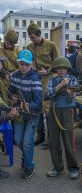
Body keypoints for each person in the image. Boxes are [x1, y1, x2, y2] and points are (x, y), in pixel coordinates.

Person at [9, 49, 42, 179]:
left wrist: (29, 105)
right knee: (18, 140)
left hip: (33, 114)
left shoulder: (35, 78)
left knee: (27, 142)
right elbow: (10, 91)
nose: (24, 67)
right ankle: (26, 156)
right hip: (19, 114)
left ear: (31, 64)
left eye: (27, 65)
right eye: (22, 64)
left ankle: (30, 166)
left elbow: (39, 100)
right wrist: (13, 97)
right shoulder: (15, 76)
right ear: (18, 63)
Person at [45, 57, 79, 179]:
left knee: (68, 141)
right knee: (53, 141)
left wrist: (70, 94)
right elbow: (48, 94)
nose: (61, 71)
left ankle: (74, 168)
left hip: (67, 111)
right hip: (53, 110)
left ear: (67, 69)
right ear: (55, 69)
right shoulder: (51, 80)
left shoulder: (73, 79)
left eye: (64, 68)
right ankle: (58, 167)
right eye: (59, 68)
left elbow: (73, 97)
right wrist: (61, 86)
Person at [27, 23, 59, 147]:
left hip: (49, 77)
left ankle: (51, 138)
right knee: (37, 106)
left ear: (39, 35)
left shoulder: (51, 45)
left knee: (47, 106)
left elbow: (57, 63)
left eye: (33, 37)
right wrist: (32, 66)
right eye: (30, 37)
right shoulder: (30, 47)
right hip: (36, 78)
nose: (32, 40)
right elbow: (29, 61)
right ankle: (40, 136)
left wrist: (48, 71)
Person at [0, 29, 21, 104]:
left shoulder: (18, 51)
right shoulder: (0, 47)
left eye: (10, 44)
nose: (7, 45)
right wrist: (4, 73)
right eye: (6, 43)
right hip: (3, 78)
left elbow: (21, 67)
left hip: (14, 78)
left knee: (14, 100)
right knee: (5, 101)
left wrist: (12, 74)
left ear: (14, 44)